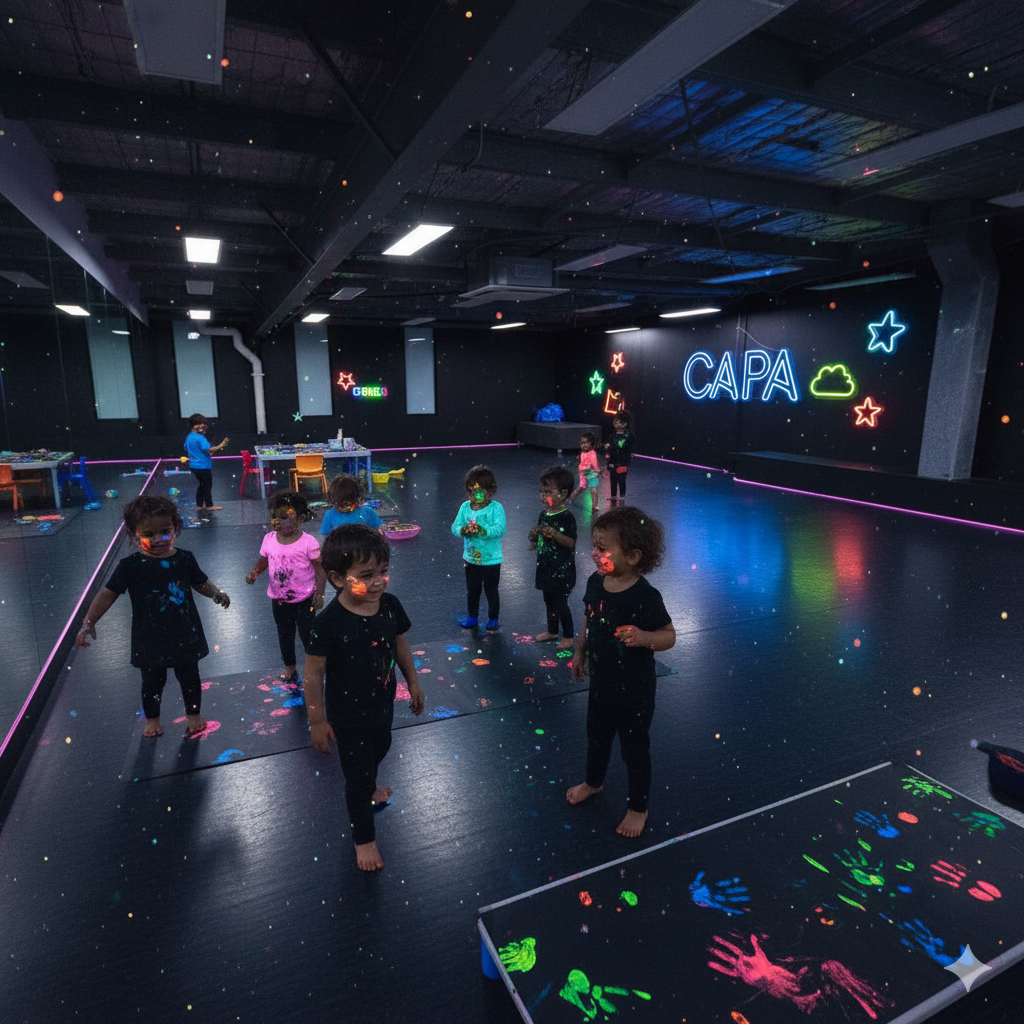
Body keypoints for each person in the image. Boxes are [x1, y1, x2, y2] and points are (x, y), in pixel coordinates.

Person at [303, 524, 425, 871]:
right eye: (366, 575)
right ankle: (364, 837)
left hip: (381, 705)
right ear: (338, 578)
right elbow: (313, 672)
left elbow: (399, 642)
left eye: (383, 572)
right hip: (347, 716)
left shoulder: (389, 606)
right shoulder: (328, 623)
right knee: (356, 778)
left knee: (380, 748)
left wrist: (412, 682)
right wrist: (316, 720)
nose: (377, 582)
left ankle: (369, 783)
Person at [74, 495, 231, 737]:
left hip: (184, 632)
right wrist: (88, 622)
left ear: (175, 527)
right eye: (149, 534)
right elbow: (108, 594)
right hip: (150, 636)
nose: (159, 540)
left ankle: (193, 713)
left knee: (190, 676)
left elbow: (200, 583)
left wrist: (217, 594)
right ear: (134, 533)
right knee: (152, 681)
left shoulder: (184, 558)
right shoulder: (131, 566)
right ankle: (152, 718)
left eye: (165, 531)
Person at [567, 505, 675, 838]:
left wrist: (644, 637)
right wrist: (579, 650)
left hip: (635, 692)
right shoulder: (595, 581)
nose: (594, 554)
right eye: (594, 546)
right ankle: (594, 782)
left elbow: (668, 635)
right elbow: (588, 615)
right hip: (601, 685)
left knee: (634, 750)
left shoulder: (645, 597)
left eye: (602, 549)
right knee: (596, 739)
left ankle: (637, 807)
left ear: (631, 556)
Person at [246, 490, 326, 683]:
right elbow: (264, 560)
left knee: (307, 634)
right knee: (284, 634)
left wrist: (320, 593)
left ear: (300, 518)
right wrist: (255, 572)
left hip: (304, 599)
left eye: (284, 517)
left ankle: (313, 665)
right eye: (275, 517)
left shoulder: (308, 542)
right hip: (279, 599)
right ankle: (289, 666)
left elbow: (320, 567)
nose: (278, 522)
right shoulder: (270, 539)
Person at [451, 464, 506, 632]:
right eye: (472, 492)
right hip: (471, 559)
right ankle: (472, 616)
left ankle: (493, 618)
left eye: (480, 491)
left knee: (491, 591)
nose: (476, 496)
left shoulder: (496, 508)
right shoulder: (465, 508)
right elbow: (455, 527)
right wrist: (463, 530)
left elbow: (500, 530)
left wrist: (483, 530)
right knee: (472, 591)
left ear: (491, 490)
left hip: (491, 560)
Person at [529, 465, 577, 648]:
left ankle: (568, 636)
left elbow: (571, 542)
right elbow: (540, 536)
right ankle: (552, 631)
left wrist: (555, 534)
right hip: (546, 568)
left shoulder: (566, 517)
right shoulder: (544, 514)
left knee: (560, 603)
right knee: (549, 601)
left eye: (548, 492)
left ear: (563, 494)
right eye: (541, 492)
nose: (543, 496)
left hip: (562, 571)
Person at [184, 413, 229, 512]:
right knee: (207, 485)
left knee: (202, 485)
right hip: (203, 466)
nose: (202, 426)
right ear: (194, 425)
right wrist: (221, 445)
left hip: (194, 465)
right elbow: (208, 449)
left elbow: (187, 447)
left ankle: (199, 505)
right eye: (199, 424)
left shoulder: (189, 437)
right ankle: (209, 505)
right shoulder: (200, 438)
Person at [318, 473, 383, 535]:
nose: (346, 506)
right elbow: (326, 537)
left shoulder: (367, 512)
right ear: (333, 501)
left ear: (357, 499)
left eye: (349, 502)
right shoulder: (330, 515)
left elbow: (380, 528)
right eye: (341, 503)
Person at [604, 411, 635, 506]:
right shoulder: (613, 436)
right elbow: (610, 446)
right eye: (615, 422)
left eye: (618, 422)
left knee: (621, 479)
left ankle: (622, 496)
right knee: (613, 478)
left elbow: (630, 447)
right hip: (613, 460)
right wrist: (607, 449)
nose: (615, 424)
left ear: (624, 423)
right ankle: (613, 495)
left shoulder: (629, 435)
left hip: (623, 461)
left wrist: (629, 456)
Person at [569, 431, 602, 512]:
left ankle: (595, 506)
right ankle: (571, 497)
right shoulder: (582, 453)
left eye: (586, 443)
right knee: (581, 487)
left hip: (591, 473)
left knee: (593, 489)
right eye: (582, 443)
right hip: (583, 473)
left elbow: (594, 464)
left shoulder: (592, 453)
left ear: (591, 444)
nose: (583, 445)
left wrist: (597, 471)